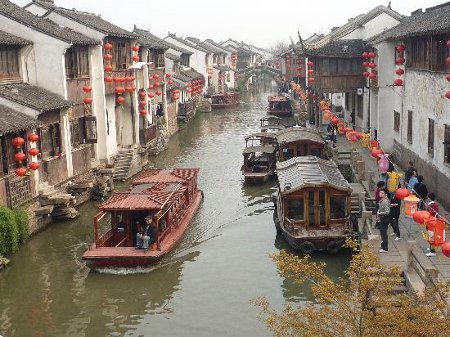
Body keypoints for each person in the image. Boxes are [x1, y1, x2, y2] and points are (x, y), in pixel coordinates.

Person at [425, 193, 439, 257]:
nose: (427, 199)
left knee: (431, 236)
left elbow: (429, 213)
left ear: (429, 198)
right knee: (431, 235)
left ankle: (433, 252)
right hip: (433, 221)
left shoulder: (431, 205)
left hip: (430, 222)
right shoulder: (435, 204)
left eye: (428, 197)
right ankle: (431, 248)